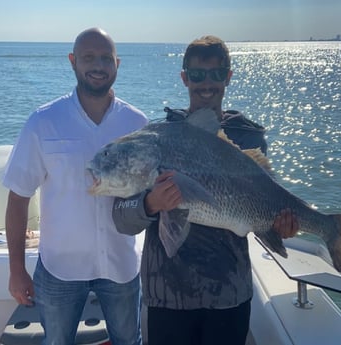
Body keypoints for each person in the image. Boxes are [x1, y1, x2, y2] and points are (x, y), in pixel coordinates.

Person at [112, 36, 299, 345]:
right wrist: (149, 204)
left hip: (229, 294)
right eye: (197, 75)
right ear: (185, 78)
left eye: (216, 73)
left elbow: (266, 203)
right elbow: (121, 219)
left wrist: (280, 225)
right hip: (166, 296)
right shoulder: (160, 137)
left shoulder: (249, 138)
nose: (206, 83)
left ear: (228, 75)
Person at [3, 28, 148, 345]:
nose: (98, 65)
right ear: (72, 61)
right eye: (88, 57)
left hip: (121, 265)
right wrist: (17, 268)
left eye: (106, 58)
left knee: (129, 340)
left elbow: (150, 195)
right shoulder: (43, 122)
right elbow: (18, 197)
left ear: (117, 64)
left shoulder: (138, 125)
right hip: (59, 269)